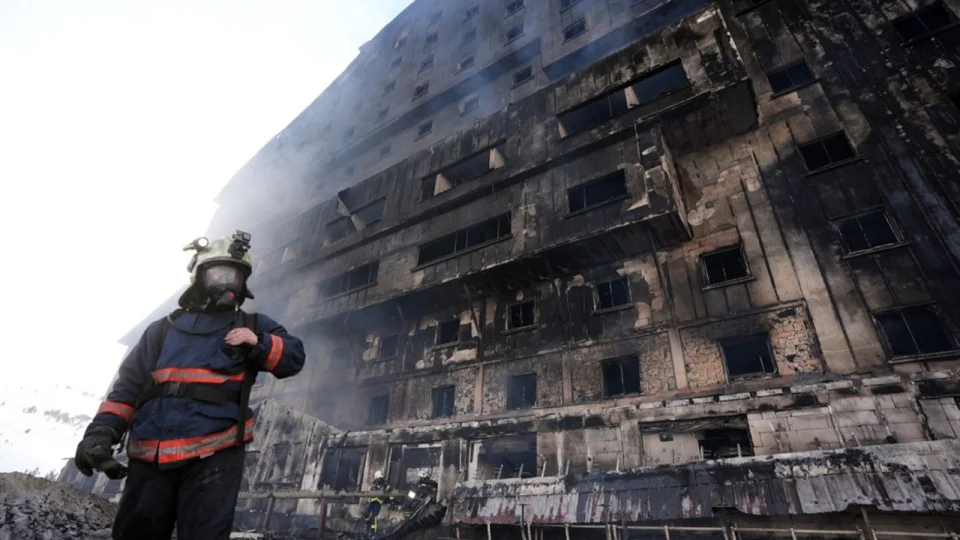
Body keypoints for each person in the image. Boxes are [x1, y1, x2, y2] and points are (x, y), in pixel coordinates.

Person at [73, 231, 306, 540]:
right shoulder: (162, 330)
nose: (227, 282)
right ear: (199, 277)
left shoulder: (251, 325)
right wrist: (101, 432)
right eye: (219, 273)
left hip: (214, 456)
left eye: (234, 276)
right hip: (150, 457)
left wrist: (259, 343)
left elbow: (294, 357)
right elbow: (127, 388)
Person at [361, 470, 393, 535]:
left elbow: (391, 493)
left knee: (374, 517)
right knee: (365, 513)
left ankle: (373, 532)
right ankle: (368, 524)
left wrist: (391, 501)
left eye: (377, 478)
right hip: (371, 500)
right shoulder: (374, 483)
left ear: (380, 478)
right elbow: (371, 491)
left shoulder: (385, 485)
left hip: (378, 502)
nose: (376, 479)